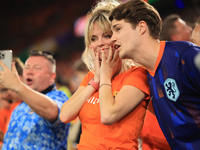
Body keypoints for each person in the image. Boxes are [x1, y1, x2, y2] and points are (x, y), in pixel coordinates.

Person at [109, 0, 200, 149]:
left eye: (118, 29)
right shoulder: (146, 77)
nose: (113, 38)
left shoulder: (185, 56)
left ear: (141, 27)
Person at [60, 0, 150, 149]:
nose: (99, 43)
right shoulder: (92, 77)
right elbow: (65, 115)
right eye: (93, 38)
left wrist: (105, 77)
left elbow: (108, 116)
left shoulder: (137, 74)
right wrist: (96, 81)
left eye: (106, 36)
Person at [0, 50, 70, 150]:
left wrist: (17, 85)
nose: (29, 71)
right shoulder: (20, 107)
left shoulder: (59, 97)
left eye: (37, 68)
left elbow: (52, 112)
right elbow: (14, 144)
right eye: (27, 67)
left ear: (52, 76)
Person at [0, 57, 24, 147]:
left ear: (19, 78)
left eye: (5, 89)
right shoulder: (14, 106)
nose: (4, 95)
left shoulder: (34, 107)